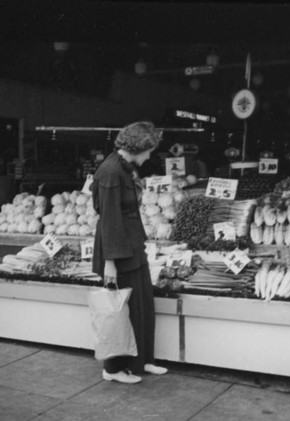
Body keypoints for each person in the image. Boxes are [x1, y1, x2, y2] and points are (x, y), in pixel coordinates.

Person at [91, 121, 168, 384]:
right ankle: (112, 369)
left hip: (133, 248)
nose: (149, 157)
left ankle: (142, 361)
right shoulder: (111, 171)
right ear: (138, 146)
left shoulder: (125, 167)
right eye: (149, 150)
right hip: (119, 253)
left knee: (142, 306)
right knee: (121, 311)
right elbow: (110, 219)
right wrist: (109, 264)